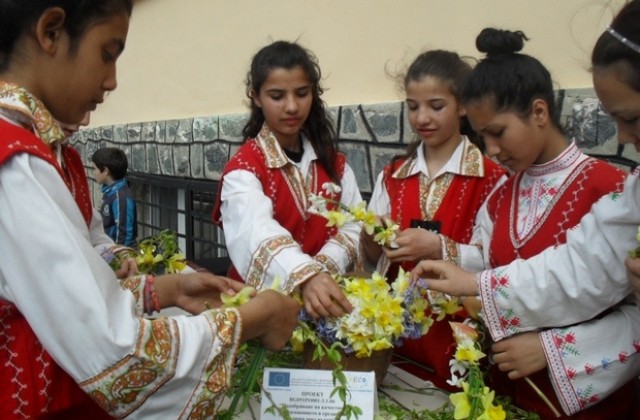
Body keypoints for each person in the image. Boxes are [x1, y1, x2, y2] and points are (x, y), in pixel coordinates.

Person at [0, 2, 300, 419]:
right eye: (108, 53)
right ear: (51, 32)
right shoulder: (14, 161)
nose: (112, 81)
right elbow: (116, 349)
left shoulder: (42, 152)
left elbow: (71, 293)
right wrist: (254, 319)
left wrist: (167, 290)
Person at [412, 23, 640, 419]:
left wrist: (553, 348)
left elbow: (620, 299)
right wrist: (449, 261)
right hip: (509, 395)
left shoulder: (608, 188)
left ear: (539, 112)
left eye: (498, 133)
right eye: (483, 137)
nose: (492, 150)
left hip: (591, 402)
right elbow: (493, 261)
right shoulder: (502, 195)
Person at [360, 50, 507, 390]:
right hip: (394, 334)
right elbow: (371, 260)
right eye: (413, 106)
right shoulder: (393, 176)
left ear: (463, 106)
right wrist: (372, 239)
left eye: (435, 106)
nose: (421, 117)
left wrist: (440, 247)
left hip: (457, 339)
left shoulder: (491, 179)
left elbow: (498, 263)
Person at [212, 40, 362, 319]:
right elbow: (254, 232)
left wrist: (322, 268)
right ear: (256, 97)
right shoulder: (245, 169)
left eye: (302, 93)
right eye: (277, 96)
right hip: (262, 315)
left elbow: (354, 226)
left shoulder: (335, 164)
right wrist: (304, 275)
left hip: (326, 305)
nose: (292, 106)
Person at [92, 147, 138, 247]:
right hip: (109, 248)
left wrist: (117, 257)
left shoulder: (121, 197)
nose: (94, 172)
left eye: (94, 168)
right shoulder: (109, 191)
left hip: (120, 254)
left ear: (105, 170)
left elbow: (124, 233)